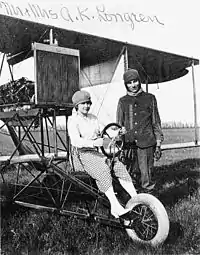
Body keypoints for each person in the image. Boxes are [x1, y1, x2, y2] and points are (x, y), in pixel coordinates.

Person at [67, 90, 137, 218]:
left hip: (96, 152)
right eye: (83, 104)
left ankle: (136, 198)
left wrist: (118, 132)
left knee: (117, 165)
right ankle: (115, 206)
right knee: (103, 169)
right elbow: (76, 141)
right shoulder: (73, 120)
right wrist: (93, 143)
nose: (86, 106)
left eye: (88, 103)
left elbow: (105, 131)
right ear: (76, 105)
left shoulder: (93, 118)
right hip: (81, 154)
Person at [116, 69, 164, 192]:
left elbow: (156, 122)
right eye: (129, 83)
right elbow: (118, 124)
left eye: (135, 81)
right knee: (130, 176)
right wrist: (120, 144)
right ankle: (133, 203)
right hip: (129, 145)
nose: (133, 85)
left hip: (147, 143)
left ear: (139, 81)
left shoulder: (150, 98)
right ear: (125, 84)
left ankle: (149, 206)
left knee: (146, 176)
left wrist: (158, 143)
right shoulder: (122, 101)